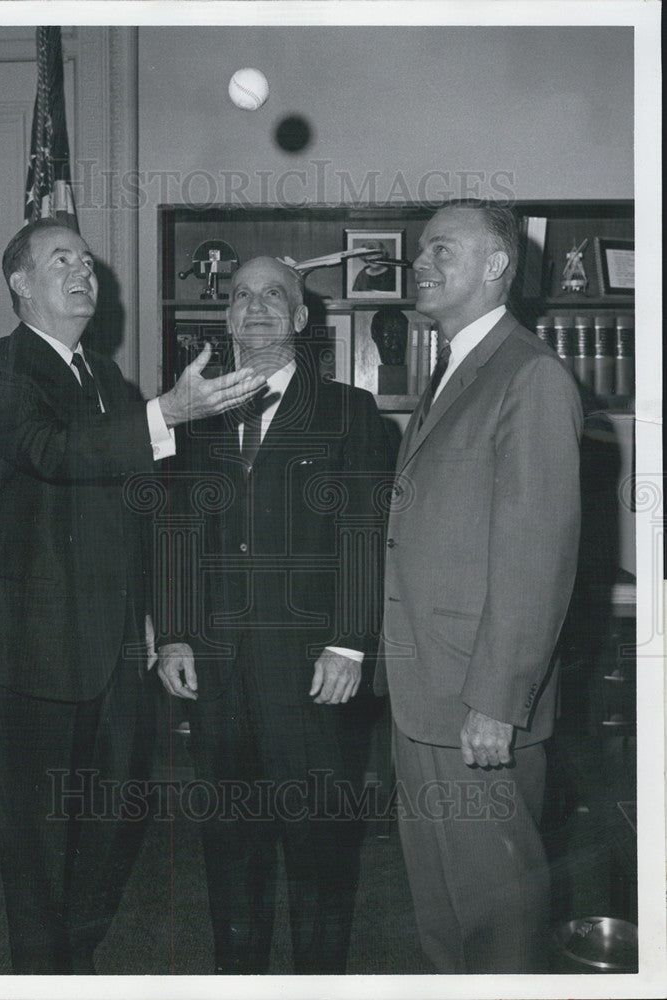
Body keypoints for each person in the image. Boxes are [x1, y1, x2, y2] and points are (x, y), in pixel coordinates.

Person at [0, 218, 265, 974]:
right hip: (39, 650)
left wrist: (160, 617)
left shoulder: (107, 381)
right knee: (37, 841)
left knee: (116, 818)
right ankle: (41, 978)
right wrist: (167, 413)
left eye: (87, 259)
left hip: (123, 648)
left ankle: (76, 960)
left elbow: (141, 511)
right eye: (60, 258)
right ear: (19, 284)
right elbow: (50, 454)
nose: (83, 269)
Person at [156, 256, 395, 974]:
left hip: (316, 674)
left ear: (300, 317)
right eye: (241, 297)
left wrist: (351, 645)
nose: (256, 307)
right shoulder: (190, 415)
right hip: (220, 674)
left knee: (319, 850)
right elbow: (172, 533)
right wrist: (171, 632)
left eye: (275, 296)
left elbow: (365, 533)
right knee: (230, 847)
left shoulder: (350, 414)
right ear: (226, 317)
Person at [375, 202, 582, 973]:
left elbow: (539, 551)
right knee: (444, 906)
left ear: (497, 265)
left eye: (440, 249)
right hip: (427, 688)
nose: (419, 262)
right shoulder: (458, 364)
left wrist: (497, 699)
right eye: (419, 248)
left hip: (476, 702)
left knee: (499, 915)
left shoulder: (528, 374)